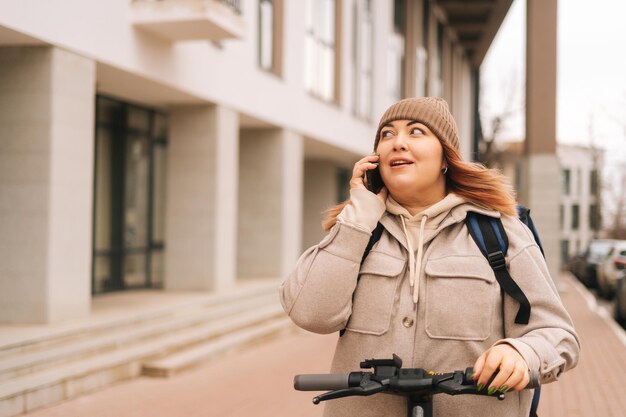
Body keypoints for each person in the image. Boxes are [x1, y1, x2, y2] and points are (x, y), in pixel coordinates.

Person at [279, 97, 580, 417]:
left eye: (416, 132)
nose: (398, 143)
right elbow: (309, 313)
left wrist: (523, 353)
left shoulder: (500, 232)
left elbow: (558, 334)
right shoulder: (359, 231)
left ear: (445, 158)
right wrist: (357, 219)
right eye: (387, 135)